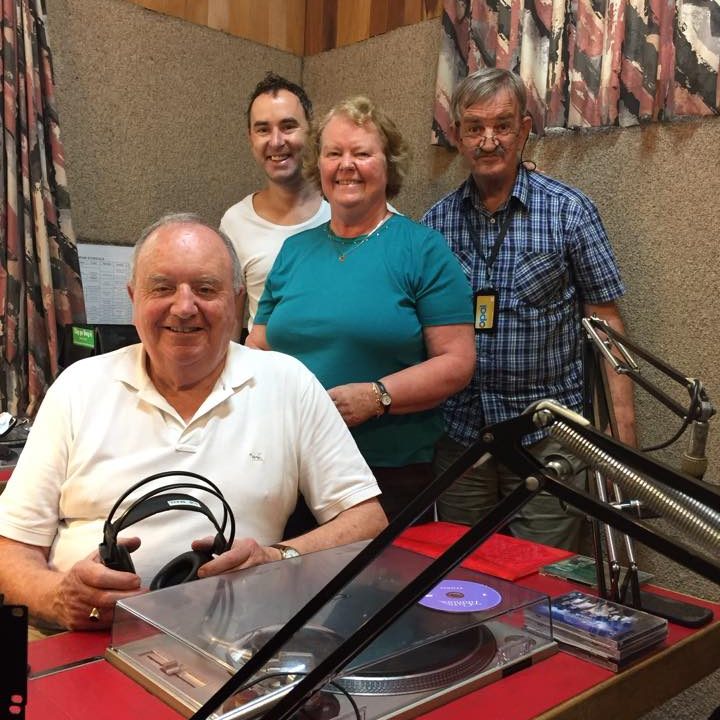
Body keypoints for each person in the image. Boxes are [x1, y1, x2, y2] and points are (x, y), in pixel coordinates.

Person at [0, 214, 387, 631]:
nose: (184, 308)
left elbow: (367, 522)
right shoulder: (78, 386)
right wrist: (60, 599)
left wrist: (277, 560)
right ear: (133, 297)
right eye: (162, 288)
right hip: (77, 635)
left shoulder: (288, 382)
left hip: (235, 639)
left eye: (206, 289)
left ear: (237, 302)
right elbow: (10, 549)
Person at [422, 68, 636, 551]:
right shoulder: (433, 225)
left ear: (524, 129)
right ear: (457, 135)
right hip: (463, 439)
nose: (488, 140)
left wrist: (620, 438)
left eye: (502, 125)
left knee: (546, 583)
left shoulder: (570, 212)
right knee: (459, 576)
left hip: (547, 437)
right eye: (474, 127)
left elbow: (607, 324)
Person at [247, 96, 476, 522]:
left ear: (388, 166)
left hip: (387, 475)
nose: (345, 165)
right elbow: (258, 345)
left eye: (362, 153)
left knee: (380, 587)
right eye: (333, 153)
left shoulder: (422, 249)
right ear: (319, 165)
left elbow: (457, 362)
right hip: (289, 466)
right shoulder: (294, 251)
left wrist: (377, 397)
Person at [220, 72, 330, 333]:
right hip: (267, 370)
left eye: (288, 126)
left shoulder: (347, 210)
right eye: (263, 129)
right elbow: (231, 324)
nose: (276, 141)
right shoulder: (236, 222)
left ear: (312, 131)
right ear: (250, 138)